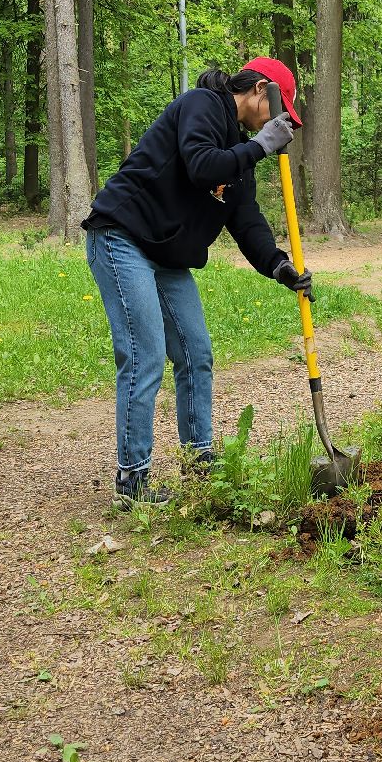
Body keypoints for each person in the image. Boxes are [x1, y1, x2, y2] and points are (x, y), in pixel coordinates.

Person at [82, 57, 313, 509]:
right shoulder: (202, 105)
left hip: (168, 256)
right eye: (279, 110)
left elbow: (248, 225)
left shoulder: (241, 155)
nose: (281, 123)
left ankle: (199, 463)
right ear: (260, 90)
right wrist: (262, 146)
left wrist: (279, 266)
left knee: (196, 352)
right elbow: (204, 166)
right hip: (122, 236)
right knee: (145, 354)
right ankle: (132, 482)